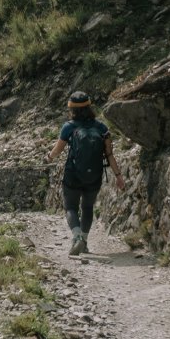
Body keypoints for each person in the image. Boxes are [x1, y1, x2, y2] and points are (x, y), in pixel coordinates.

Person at [43, 91, 125, 255]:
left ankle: (77, 237)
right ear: (89, 107)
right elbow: (109, 155)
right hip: (94, 175)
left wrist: (48, 157)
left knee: (70, 207)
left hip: (73, 174)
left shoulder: (69, 127)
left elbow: (58, 150)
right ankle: (85, 242)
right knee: (87, 207)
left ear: (71, 109)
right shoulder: (102, 128)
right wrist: (118, 176)